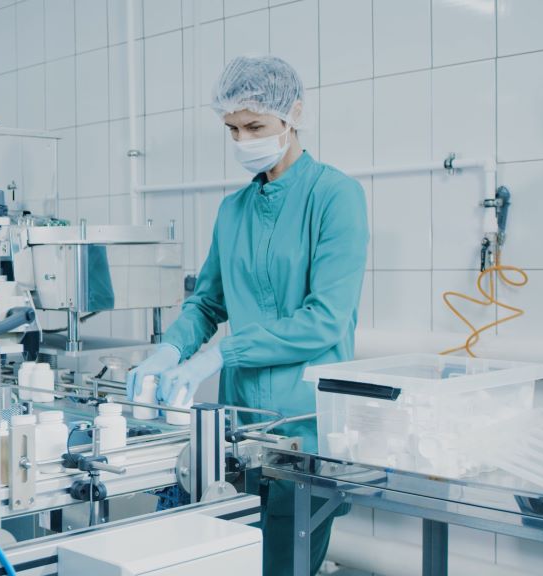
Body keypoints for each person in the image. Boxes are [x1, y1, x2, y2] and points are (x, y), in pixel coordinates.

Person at [127, 56, 368, 576]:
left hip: (303, 428)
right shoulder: (232, 211)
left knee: (285, 564)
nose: (243, 140)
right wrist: (171, 349)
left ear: (293, 114)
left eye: (254, 126)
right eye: (232, 129)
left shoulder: (335, 197)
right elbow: (207, 304)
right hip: (236, 429)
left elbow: (324, 319)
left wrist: (219, 354)